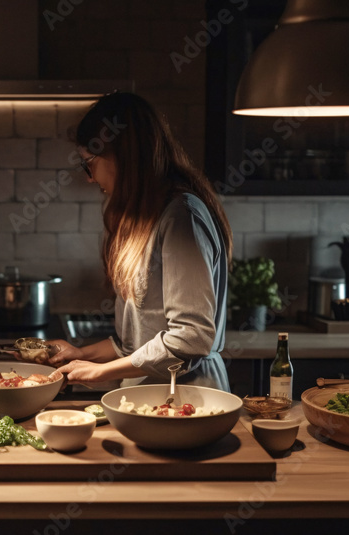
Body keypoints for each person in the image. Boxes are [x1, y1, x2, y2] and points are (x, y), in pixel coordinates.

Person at [44, 92, 234, 391]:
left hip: (188, 396)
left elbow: (191, 338)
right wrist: (83, 355)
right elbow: (136, 344)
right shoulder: (146, 217)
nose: (89, 178)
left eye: (88, 164)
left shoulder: (182, 216)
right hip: (147, 396)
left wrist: (100, 372)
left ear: (121, 156)